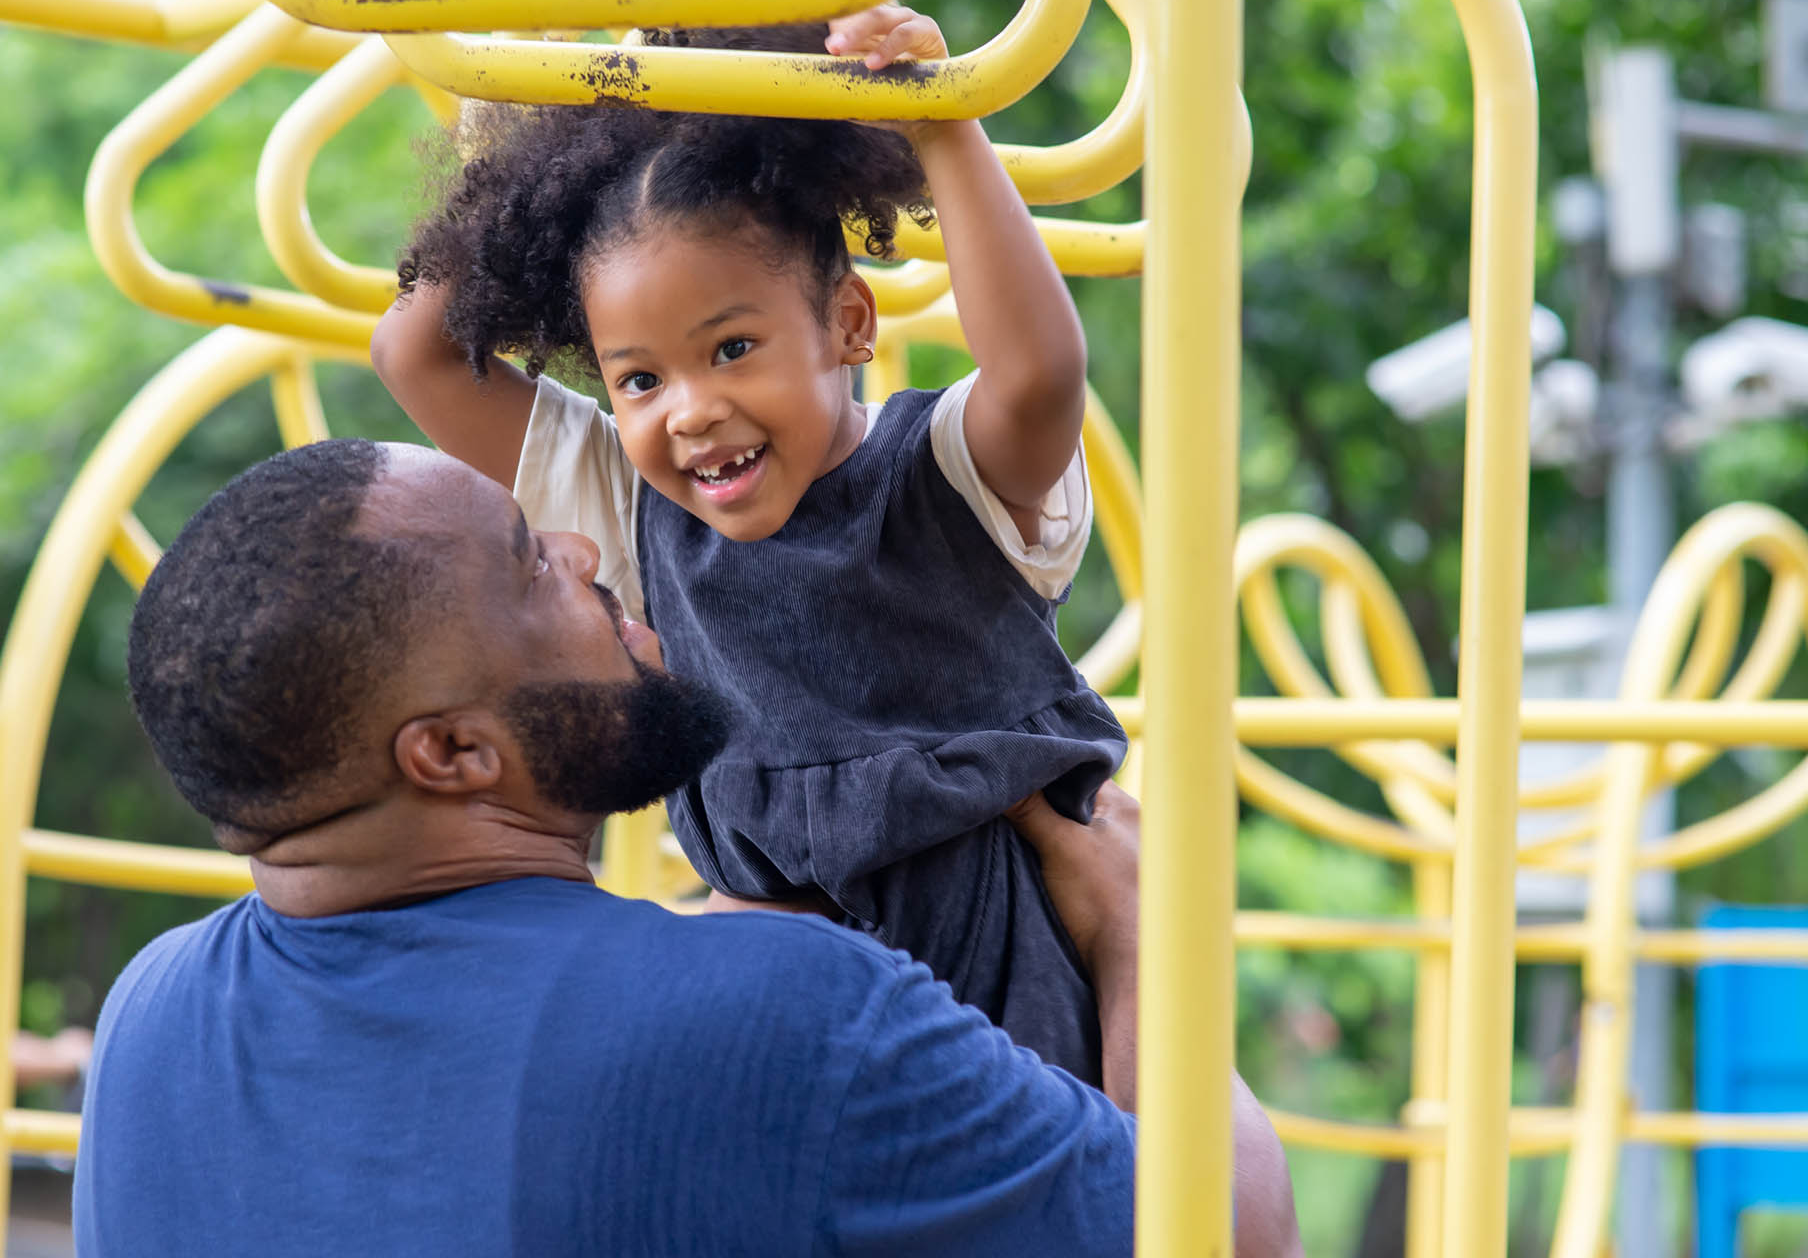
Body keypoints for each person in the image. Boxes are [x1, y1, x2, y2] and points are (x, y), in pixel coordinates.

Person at [72, 440, 1301, 1256]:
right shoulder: (790, 1014)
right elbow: (1225, 1228)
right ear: (449, 753)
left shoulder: (150, 1020)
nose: (584, 551)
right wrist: (1142, 934)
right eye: (527, 561)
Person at [375, 4, 1128, 1086]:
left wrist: (941, 123)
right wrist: (546, 125)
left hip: (1005, 1000)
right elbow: (417, 352)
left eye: (732, 347)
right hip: (783, 1019)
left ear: (849, 324)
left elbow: (1040, 374)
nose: (689, 409)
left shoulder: (948, 480)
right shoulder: (636, 512)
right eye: (639, 377)